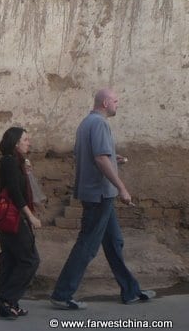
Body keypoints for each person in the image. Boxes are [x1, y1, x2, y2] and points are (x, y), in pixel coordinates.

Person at [50, 88, 156, 309]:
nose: (118, 104)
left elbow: (97, 155)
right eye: (116, 101)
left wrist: (114, 159)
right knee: (88, 244)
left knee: (114, 242)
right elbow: (99, 158)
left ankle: (130, 290)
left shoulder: (86, 123)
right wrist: (122, 188)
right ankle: (62, 294)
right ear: (106, 103)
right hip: (99, 194)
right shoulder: (100, 124)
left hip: (99, 194)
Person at [0, 127, 41, 319]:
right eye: (25, 139)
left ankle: (8, 305)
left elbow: (20, 187)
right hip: (13, 218)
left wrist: (26, 172)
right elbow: (15, 193)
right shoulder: (10, 162)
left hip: (8, 218)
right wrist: (30, 216)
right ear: (16, 143)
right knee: (30, 260)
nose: (29, 142)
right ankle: (7, 298)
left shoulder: (14, 162)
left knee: (11, 259)